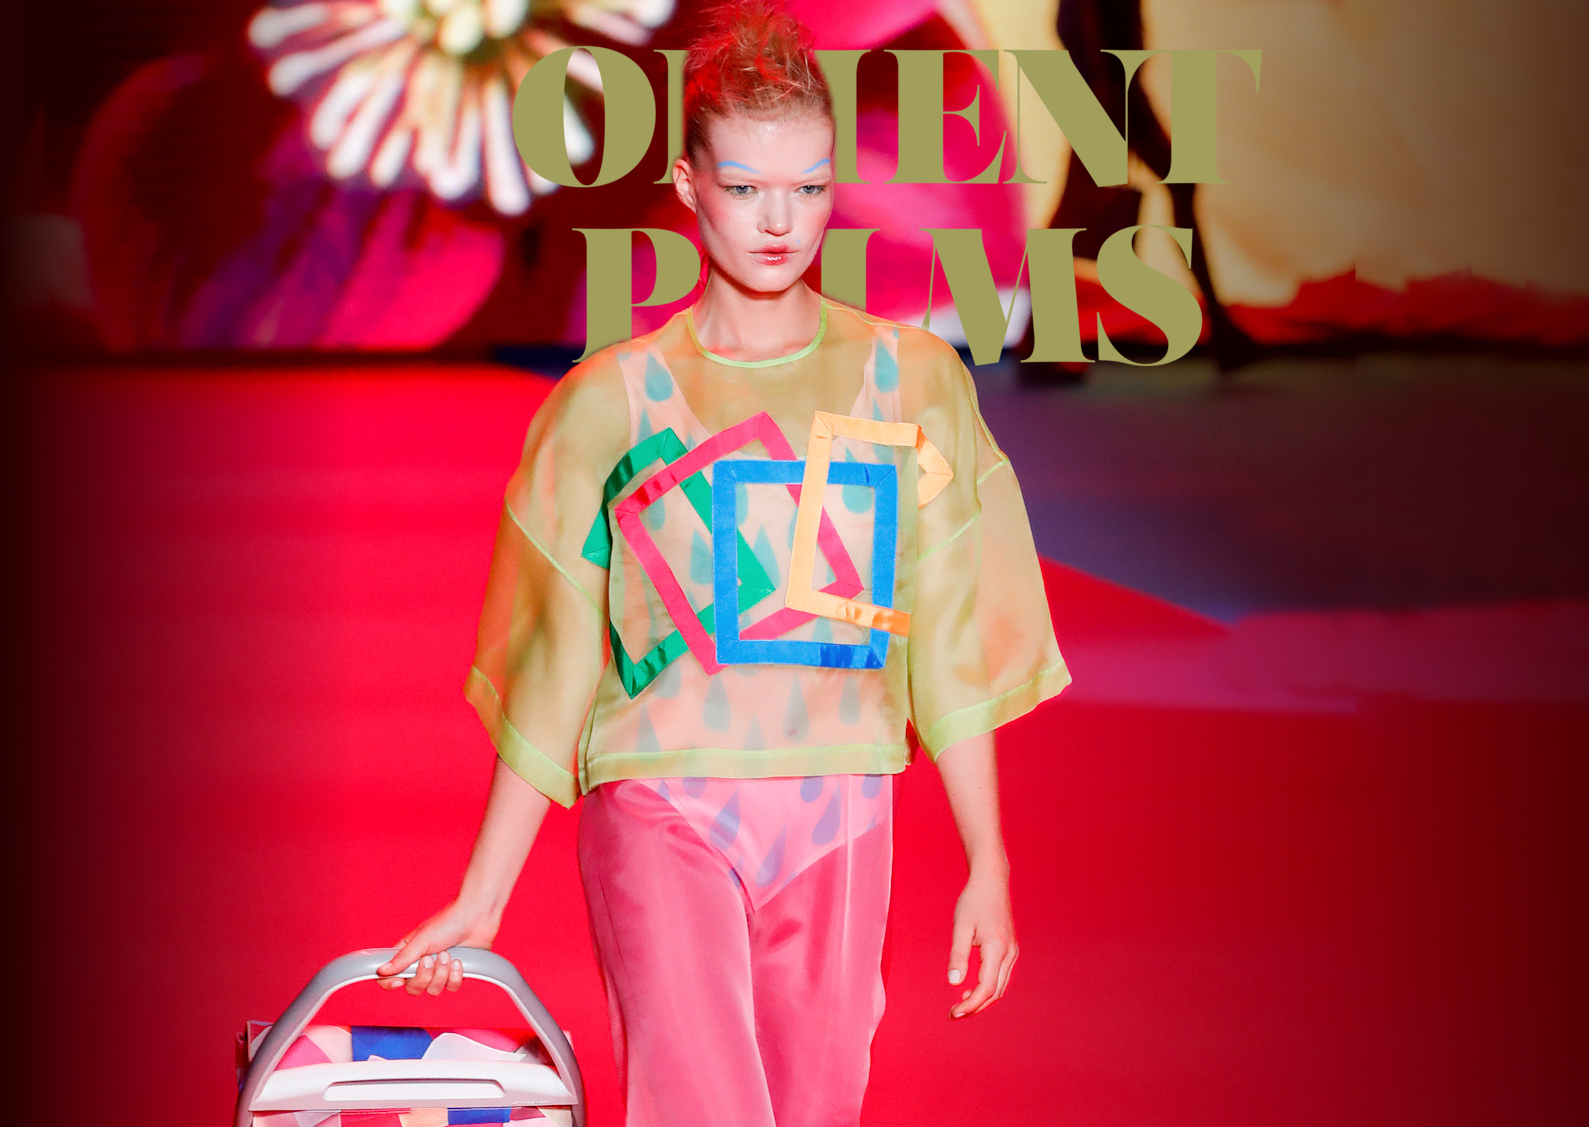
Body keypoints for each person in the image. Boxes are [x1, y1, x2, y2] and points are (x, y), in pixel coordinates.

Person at [375, 4, 1069, 1123]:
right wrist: (483, 895)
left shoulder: (911, 379)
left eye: (808, 186)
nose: (780, 221)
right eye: (746, 188)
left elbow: (947, 637)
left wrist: (987, 860)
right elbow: (556, 664)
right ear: (689, 186)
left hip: (843, 804)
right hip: (659, 798)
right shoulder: (608, 403)